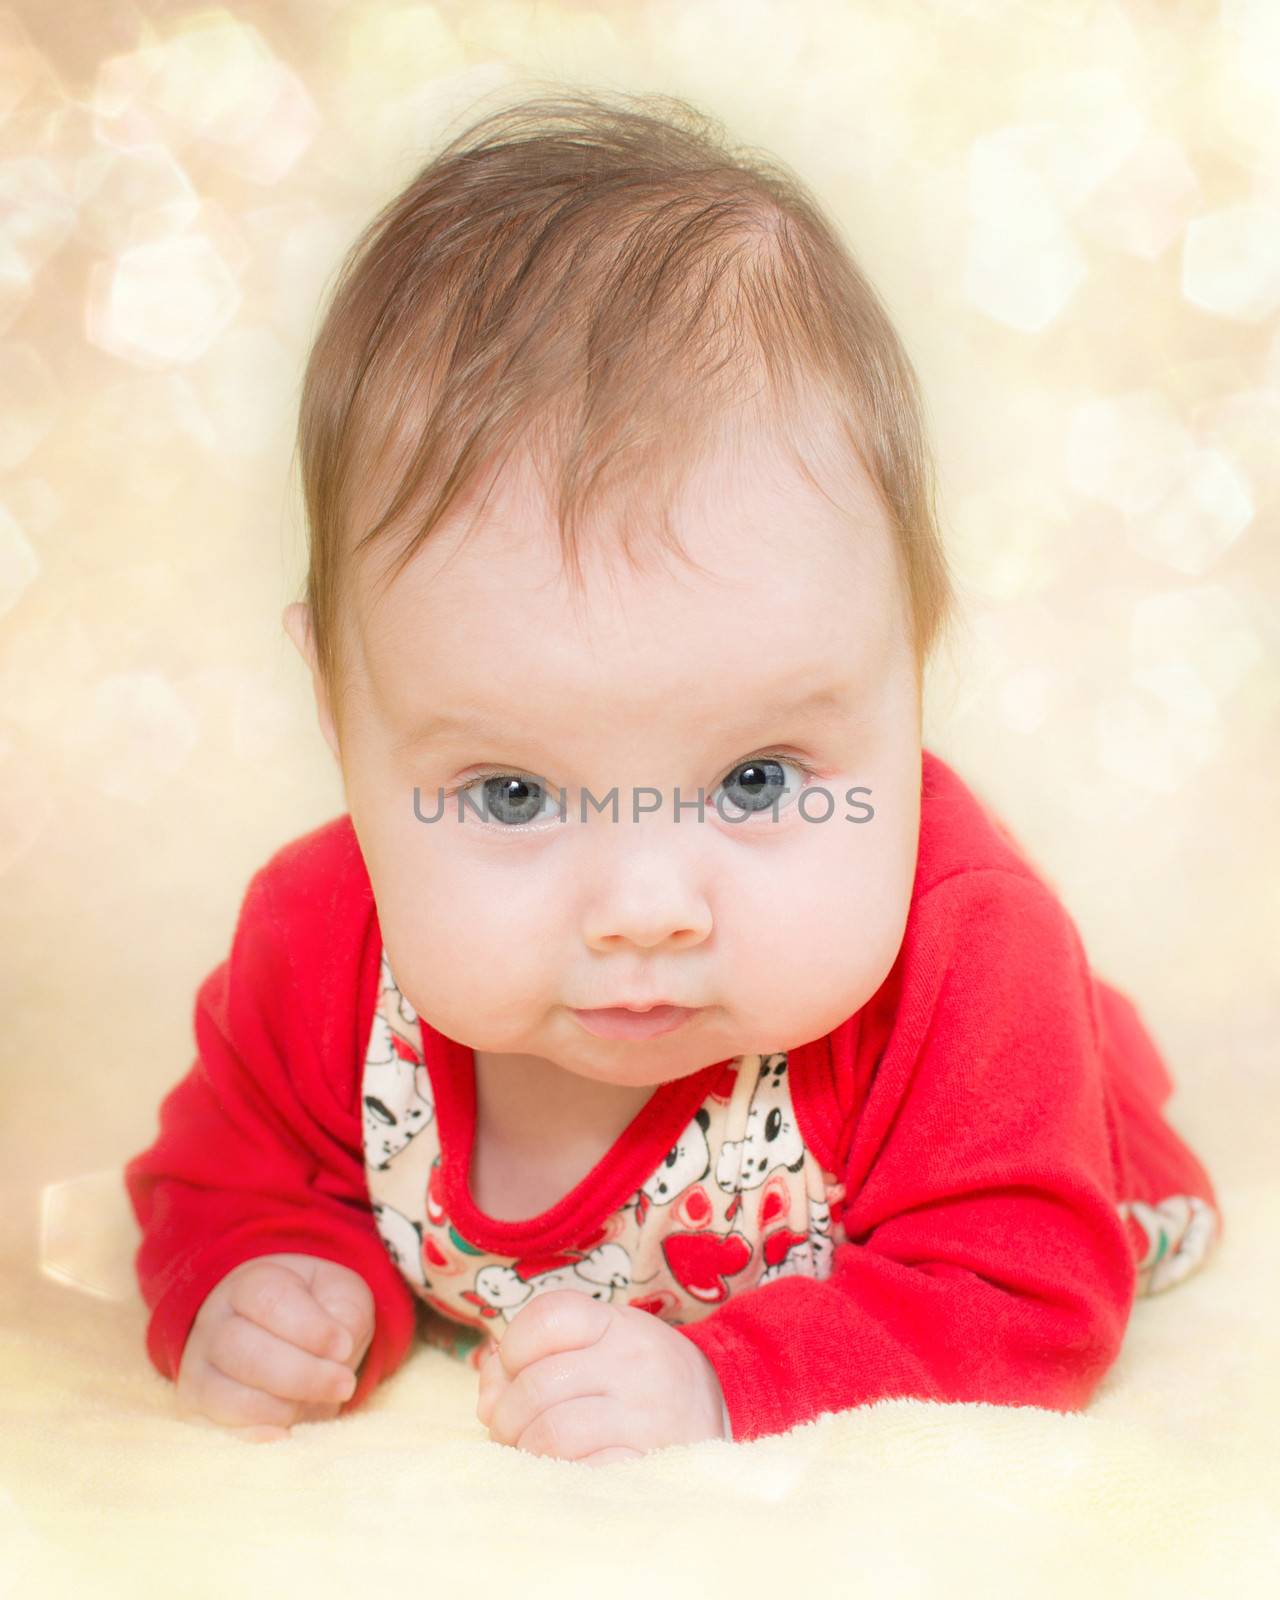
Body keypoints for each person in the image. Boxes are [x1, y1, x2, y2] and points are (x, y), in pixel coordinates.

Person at [124, 88, 1223, 1463]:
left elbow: (1025, 1298)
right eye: (513, 794)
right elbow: (223, 1176)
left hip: (1040, 1141)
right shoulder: (317, 950)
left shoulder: (966, 961)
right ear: (344, 721)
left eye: (760, 779)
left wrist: (721, 1384)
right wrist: (264, 1275)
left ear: (911, 668)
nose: (647, 905)